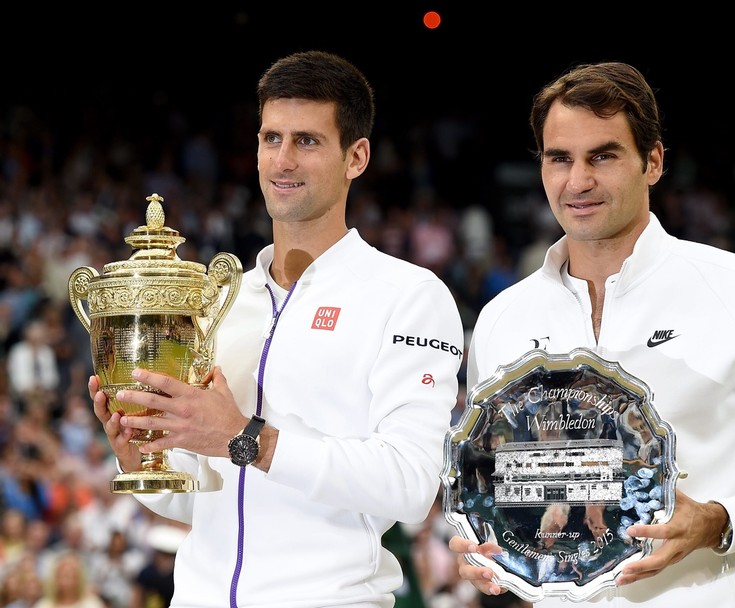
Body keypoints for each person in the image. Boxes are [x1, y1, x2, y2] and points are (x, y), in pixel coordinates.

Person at [447, 61, 735, 606]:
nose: (578, 181)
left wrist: (719, 523)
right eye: (560, 159)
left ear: (654, 161)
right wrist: (487, 543)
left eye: (603, 155)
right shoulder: (503, 318)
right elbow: (500, 480)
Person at [88, 50, 464, 607]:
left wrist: (245, 439)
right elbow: (202, 499)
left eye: (307, 141)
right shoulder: (220, 300)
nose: (283, 160)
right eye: (271, 139)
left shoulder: (408, 297)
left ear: (355, 157)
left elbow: (410, 487)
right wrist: (145, 458)